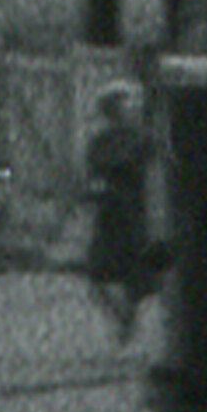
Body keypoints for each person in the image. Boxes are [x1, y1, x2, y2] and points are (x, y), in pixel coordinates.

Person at [75, 77, 168, 348]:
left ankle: (130, 318)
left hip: (135, 213)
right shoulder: (100, 142)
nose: (134, 108)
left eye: (136, 102)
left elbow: (155, 177)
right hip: (109, 213)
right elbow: (91, 176)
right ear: (113, 109)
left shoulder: (145, 140)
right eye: (128, 103)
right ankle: (124, 317)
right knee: (97, 275)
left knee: (139, 276)